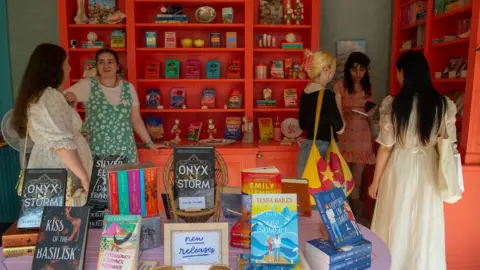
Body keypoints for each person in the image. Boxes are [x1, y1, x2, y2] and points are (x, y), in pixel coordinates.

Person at [368, 51, 457, 270]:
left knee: (395, 216)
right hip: (429, 166)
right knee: (425, 221)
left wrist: (375, 181)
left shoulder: (395, 104)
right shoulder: (443, 105)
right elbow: (448, 143)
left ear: (404, 73)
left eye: (398, 71)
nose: (397, 76)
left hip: (401, 165)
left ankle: (392, 264)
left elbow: (386, 147)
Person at [11, 43, 92, 196]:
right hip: (61, 170)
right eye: (66, 63)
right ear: (54, 67)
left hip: (58, 168)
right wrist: (84, 177)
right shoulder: (48, 96)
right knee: (64, 214)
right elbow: (60, 144)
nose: (69, 68)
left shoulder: (43, 95)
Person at [64, 49, 162, 163]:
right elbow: (60, 101)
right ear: (97, 66)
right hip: (96, 147)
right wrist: (75, 131)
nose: (106, 65)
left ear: (117, 66)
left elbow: (136, 120)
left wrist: (149, 143)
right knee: (97, 180)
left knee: (123, 180)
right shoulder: (88, 85)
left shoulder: (128, 87)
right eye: (101, 62)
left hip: (124, 148)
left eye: (110, 62)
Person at [333, 52, 377, 214]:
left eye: (362, 70)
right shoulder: (340, 86)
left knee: (357, 180)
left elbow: (371, 110)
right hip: (344, 135)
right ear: (348, 69)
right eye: (354, 70)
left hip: (362, 135)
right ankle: (341, 216)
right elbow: (336, 113)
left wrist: (371, 115)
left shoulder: (369, 87)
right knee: (340, 179)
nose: (358, 74)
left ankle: (356, 219)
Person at [297, 50, 345, 177]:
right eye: (332, 70)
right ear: (325, 69)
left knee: (308, 192)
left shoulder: (305, 93)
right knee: (326, 194)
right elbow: (340, 128)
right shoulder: (327, 94)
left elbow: (302, 125)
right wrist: (338, 101)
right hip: (324, 150)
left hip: (307, 149)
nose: (333, 74)